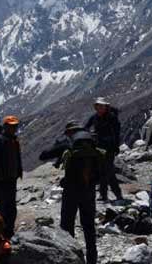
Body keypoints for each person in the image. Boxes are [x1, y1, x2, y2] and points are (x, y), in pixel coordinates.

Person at [57, 126, 103, 264]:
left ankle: (69, 257)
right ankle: (92, 259)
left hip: (71, 191)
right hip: (89, 191)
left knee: (67, 225)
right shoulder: (94, 149)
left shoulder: (70, 147)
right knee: (89, 227)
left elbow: (46, 155)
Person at [85, 97, 123, 202]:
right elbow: (86, 127)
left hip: (109, 148)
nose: (99, 108)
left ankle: (117, 194)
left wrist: (116, 147)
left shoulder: (112, 117)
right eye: (97, 106)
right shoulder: (94, 117)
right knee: (102, 170)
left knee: (108, 170)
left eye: (101, 106)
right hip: (99, 147)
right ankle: (104, 195)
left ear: (106, 107)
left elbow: (117, 133)